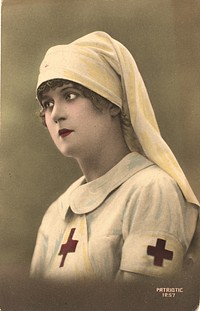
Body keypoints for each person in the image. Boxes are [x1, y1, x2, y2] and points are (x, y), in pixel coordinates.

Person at [30, 31, 199, 282]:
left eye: (70, 95)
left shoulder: (151, 190)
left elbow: (140, 303)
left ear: (111, 103)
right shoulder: (57, 212)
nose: (55, 114)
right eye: (48, 103)